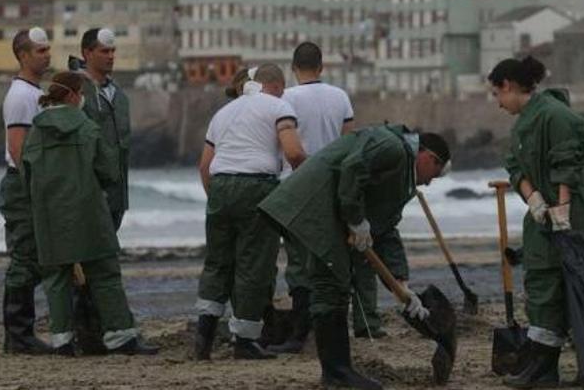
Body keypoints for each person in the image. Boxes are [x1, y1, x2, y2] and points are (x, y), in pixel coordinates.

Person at [259, 124, 450, 390]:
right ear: (430, 158)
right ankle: (337, 372)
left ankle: (337, 371)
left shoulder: (402, 175)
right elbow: (351, 169)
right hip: (313, 206)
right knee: (331, 285)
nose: (429, 182)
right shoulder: (391, 146)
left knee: (335, 285)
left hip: (329, 214)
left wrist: (402, 285)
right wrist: (356, 219)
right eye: (434, 175)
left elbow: (385, 229)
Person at [488, 56, 584, 389]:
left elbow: (566, 162)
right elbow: (516, 166)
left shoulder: (555, 116)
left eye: (497, 94)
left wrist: (563, 208)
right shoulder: (525, 121)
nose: (497, 103)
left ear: (508, 86)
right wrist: (534, 199)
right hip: (543, 218)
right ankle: (543, 368)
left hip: (575, 216)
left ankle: (583, 365)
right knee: (542, 283)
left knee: (577, 289)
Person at [21, 72, 157, 356]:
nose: (83, 98)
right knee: (105, 274)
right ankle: (121, 338)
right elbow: (109, 172)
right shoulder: (88, 129)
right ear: (72, 95)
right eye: (81, 93)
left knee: (56, 278)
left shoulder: (35, 133)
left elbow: (25, 177)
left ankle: (62, 341)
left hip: (49, 214)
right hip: (89, 212)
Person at [193, 65, 307, 361]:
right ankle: (244, 340)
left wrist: (219, 198)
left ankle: (202, 339)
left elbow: (205, 167)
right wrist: (310, 182)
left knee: (217, 263)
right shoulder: (279, 106)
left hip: (220, 188)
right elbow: (293, 153)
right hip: (257, 186)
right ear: (277, 85)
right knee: (252, 266)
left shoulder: (224, 113)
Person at [267, 41, 366, 354]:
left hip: (295, 185)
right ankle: (330, 325)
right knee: (330, 257)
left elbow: (283, 144)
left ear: (293, 68)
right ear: (322, 67)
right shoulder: (340, 97)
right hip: (333, 185)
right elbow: (350, 143)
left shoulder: (286, 99)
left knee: (298, 262)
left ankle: (300, 332)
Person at [0, 28, 53, 355]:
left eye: (47, 49)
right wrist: (34, 188)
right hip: (22, 184)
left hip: (33, 181)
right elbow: (17, 148)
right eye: (39, 50)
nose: (46, 54)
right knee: (25, 258)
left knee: (34, 256)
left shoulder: (34, 92)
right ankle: (18, 335)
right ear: (23, 55)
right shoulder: (21, 95)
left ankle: (21, 333)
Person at [78, 28, 130, 231]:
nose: (111, 57)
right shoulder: (75, 91)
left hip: (117, 193)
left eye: (112, 51)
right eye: (104, 51)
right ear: (87, 53)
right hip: (89, 193)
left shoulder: (119, 94)